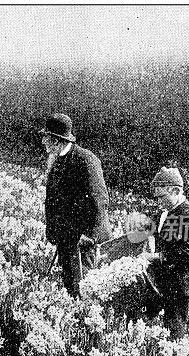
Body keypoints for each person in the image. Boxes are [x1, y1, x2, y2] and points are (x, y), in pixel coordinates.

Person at [41, 113, 113, 298]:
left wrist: (89, 235)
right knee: (70, 287)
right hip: (67, 238)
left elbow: (100, 200)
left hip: (84, 241)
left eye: (46, 137)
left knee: (85, 289)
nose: (43, 141)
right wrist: (54, 232)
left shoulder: (86, 160)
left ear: (57, 141)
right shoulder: (57, 161)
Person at [143, 166, 189, 339]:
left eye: (162, 196)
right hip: (166, 278)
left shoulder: (188, 214)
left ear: (176, 191)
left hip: (182, 281)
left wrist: (154, 257)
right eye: (157, 197)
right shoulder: (166, 212)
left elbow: (187, 252)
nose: (158, 201)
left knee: (174, 327)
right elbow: (154, 233)